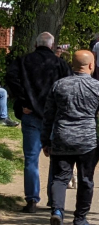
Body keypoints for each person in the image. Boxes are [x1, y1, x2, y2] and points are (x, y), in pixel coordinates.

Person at [41, 50, 99, 225]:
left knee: (59, 178)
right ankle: (80, 220)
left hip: (61, 138)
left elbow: (48, 115)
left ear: (72, 65)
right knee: (86, 180)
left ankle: (57, 212)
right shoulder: (98, 89)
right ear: (91, 65)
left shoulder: (59, 85)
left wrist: (45, 141)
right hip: (87, 142)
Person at [5, 32, 72, 213]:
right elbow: (69, 87)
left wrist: (23, 100)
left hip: (31, 113)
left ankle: (32, 200)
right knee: (56, 159)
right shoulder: (60, 64)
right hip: (55, 116)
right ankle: (54, 199)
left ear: (36, 44)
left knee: (31, 159)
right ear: (52, 45)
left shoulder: (23, 61)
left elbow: (10, 78)